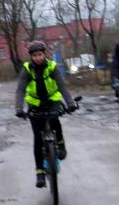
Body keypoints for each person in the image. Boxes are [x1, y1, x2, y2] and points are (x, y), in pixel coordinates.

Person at [15, 41, 77, 189]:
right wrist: (19, 108)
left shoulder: (52, 66)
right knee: (37, 137)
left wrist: (70, 103)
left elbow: (62, 86)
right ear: (31, 56)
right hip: (35, 103)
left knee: (55, 119)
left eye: (40, 54)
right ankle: (40, 172)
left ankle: (61, 144)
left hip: (52, 100)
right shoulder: (26, 69)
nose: (38, 58)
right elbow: (20, 90)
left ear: (45, 54)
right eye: (35, 55)